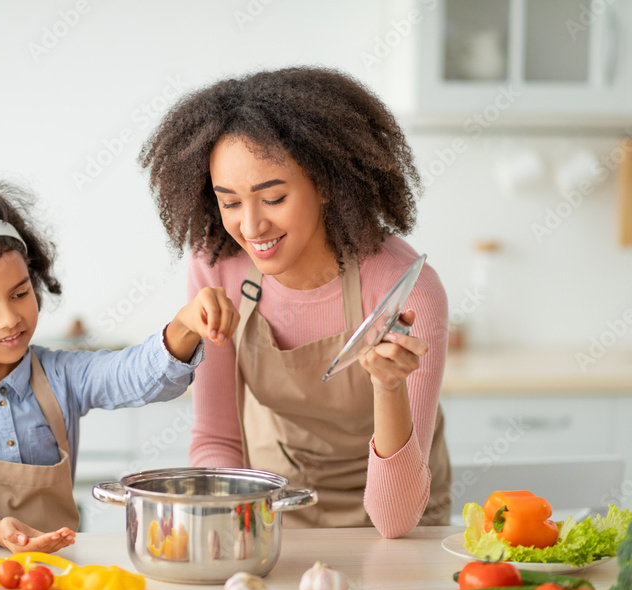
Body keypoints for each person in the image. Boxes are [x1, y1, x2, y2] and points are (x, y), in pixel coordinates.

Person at [139, 67, 451, 538]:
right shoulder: (217, 268)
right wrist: (226, 525)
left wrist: (388, 388)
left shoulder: (405, 291)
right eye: (230, 203)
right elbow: (217, 437)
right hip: (273, 502)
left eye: (274, 197)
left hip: (399, 511)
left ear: (325, 183)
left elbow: (396, 518)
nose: (251, 226)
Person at [0, 183, 238, 552]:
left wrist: (185, 325)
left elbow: (132, 373)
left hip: (53, 576)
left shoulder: (60, 373)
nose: (10, 318)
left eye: (20, 293)